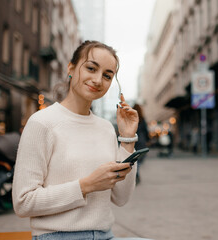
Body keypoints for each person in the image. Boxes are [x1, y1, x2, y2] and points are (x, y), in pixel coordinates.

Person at [12, 41, 152, 240]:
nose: (97, 80)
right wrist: (87, 185)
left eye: (107, 75)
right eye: (91, 68)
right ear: (71, 68)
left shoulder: (106, 128)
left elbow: (121, 198)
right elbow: (23, 202)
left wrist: (128, 139)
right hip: (57, 236)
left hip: (105, 235)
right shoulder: (42, 123)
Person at [133, 104, 149, 185]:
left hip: (133, 141)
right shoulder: (142, 119)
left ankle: (136, 174)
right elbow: (146, 131)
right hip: (141, 142)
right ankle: (136, 174)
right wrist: (148, 140)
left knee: (134, 159)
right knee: (139, 160)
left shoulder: (131, 118)